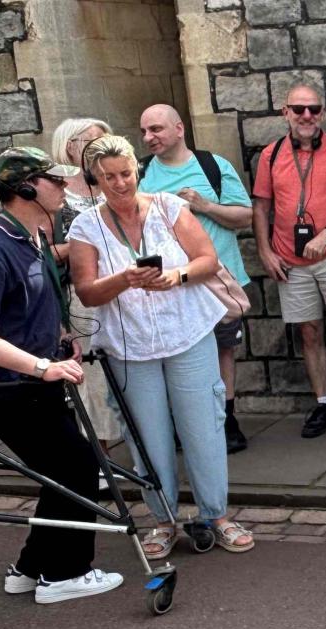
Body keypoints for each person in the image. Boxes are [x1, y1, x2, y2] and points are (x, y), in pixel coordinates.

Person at [67, 135, 254, 558]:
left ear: (137, 170)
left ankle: (217, 515)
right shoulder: (85, 226)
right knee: (147, 436)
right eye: (109, 177)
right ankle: (163, 520)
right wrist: (124, 279)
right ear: (95, 179)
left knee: (203, 426)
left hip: (187, 331)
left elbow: (207, 259)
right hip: (129, 346)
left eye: (126, 173)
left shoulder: (168, 207)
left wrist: (176, 276)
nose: (120, 183)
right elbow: (87, 292)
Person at [0, 146, 124, 603]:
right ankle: (65, 575)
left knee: (62, 471)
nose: (65, 186)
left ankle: (30, 568)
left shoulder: (29, 238)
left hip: (33, 382)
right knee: (77, 467)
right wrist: (42, 365)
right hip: (4, 387)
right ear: (27, 188)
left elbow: (27, 307)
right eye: (55, 180)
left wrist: (61, 336)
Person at [251, 83, 326, 440]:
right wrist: (264, 251)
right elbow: (261, 207)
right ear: (285, 112)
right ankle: (323, 403)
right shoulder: (271, 154)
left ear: (323, 112)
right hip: (290, 257)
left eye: (314, 109)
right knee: (309, 332)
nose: (307, 116)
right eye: (299, 109)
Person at [136, 104, 255, 454]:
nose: (148, 137)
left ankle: (226, 420)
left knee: (222, 350)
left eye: (156, 129)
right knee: (175, 353)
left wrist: (205, 206)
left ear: (179, 129)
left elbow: (245, 216)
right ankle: (185, 423)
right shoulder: (140, 173)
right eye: (144, 131)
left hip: (218, 280)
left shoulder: (212, 166)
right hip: (170, 284)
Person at [49, 117, 130, 464]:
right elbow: (41, 252)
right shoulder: (55, 193)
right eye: (91, 141)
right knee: (93, 378)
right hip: (82, 296)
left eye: (104, 140)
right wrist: (81, 245)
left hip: (126, 289)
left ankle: (142, 448)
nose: (100, 147)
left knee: (132, 368)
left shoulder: (115, 183)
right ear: (70, 147)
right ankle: (101, 460)